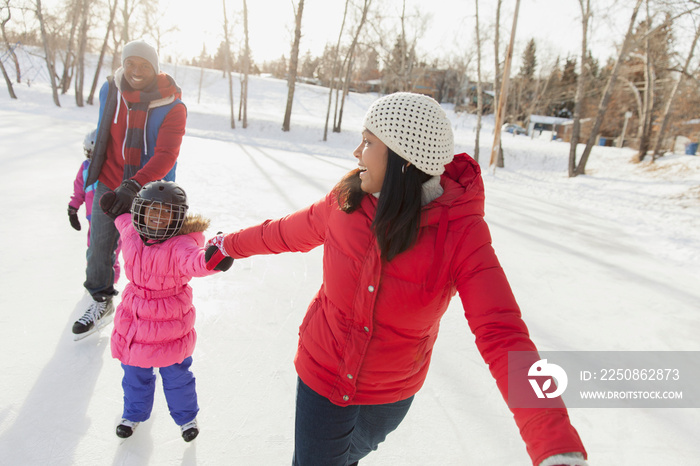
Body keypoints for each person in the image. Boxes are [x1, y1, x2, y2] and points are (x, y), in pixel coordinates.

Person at [205, 93, 588, 465]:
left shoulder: (461, 232)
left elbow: (503, 333)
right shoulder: (346, 200)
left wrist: (554, 444)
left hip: (389, 397)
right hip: (324, 376)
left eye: (368, 142)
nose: (357, 153)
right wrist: (228, 245)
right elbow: (286, 232)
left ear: (404, 159)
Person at [72, 39, 187, 340]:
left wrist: (134, 184)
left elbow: (166, 155)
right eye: (130, 63)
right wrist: (90, 177)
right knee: (99, 245)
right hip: (109, 182)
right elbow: (105, 132)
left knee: (153, 261)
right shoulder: (110, 90)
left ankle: (155, 320)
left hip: (151, 194)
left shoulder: (173, 107)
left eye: (144, 65)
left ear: (156, 68)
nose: (136, 71)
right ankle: (100, 299)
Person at [110, 180, 233, 442]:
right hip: (134, 318)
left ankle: (187, 418)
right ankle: (132, 414)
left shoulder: (179, 245)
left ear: (177, 217)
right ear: (140, 211)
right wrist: (116, 210)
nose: (157, 217)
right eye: (152, 210)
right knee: (134, 375)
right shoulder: (132, 231)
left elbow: (196, 261)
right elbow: (122, 222)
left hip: (169, 322)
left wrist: (213, 259)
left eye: (166, 213)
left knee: (177, 377)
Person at [68, 129, 122, 290]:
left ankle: (109, 283)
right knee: (93, 251)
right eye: (89, 153)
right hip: (93, 219)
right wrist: (73, 208)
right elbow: (79, 190)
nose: (92, 157)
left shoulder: (112, 169)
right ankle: (95, 278)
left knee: (111, 252)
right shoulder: (85, 168)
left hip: (113, 218)